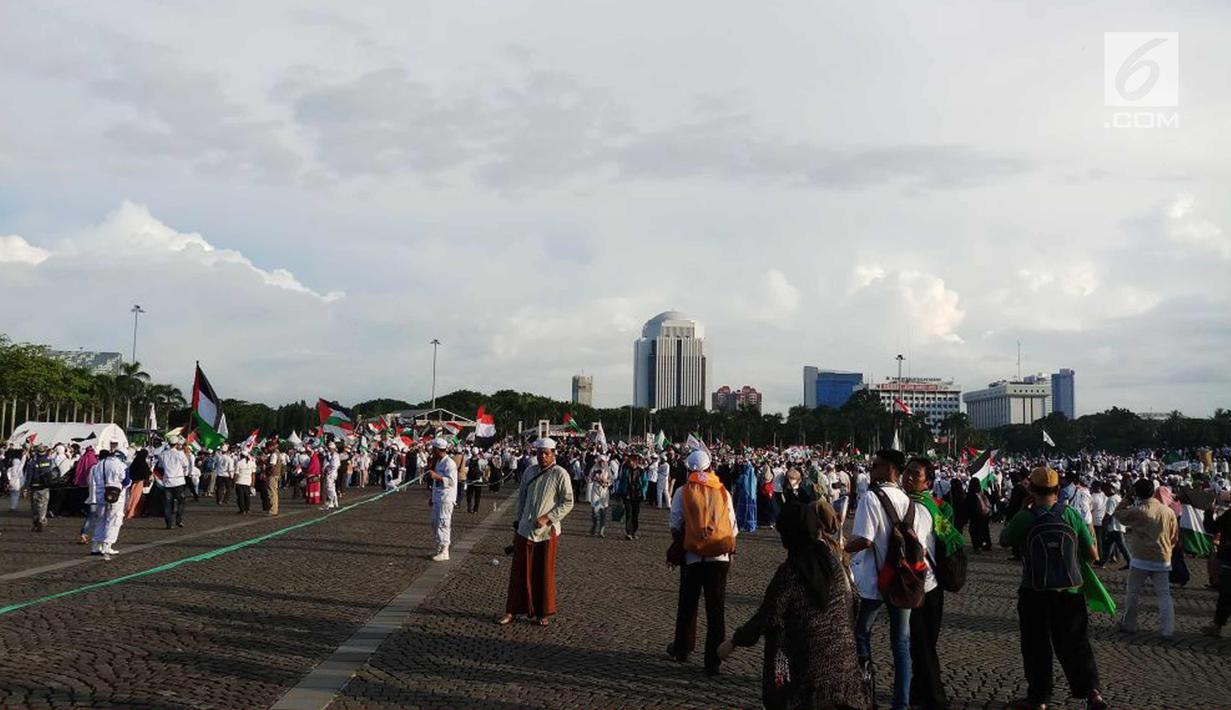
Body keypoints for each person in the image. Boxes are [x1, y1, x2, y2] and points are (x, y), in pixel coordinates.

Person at [719, 501, 867, 710]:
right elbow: (855, 599)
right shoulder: (833, 561)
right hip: (848, 674)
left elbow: (768, 616)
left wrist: (733, 641)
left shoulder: (790, 571)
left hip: (809, 678)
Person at [999, 466, 1107, 710]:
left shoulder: (1026, 517)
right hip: (1070, 592)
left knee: (1036, 646)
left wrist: (1021, 510)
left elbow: (1005, 539)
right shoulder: (1071, 515)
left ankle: (1039, 699)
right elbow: (1092, 555)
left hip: (1034, 591)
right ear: (1058, 490)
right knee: (1077, 644)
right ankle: (1092, 692)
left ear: (1031, 490)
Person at [845, 449, 932, 710]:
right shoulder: (910, 502)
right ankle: (901, 704)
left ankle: (864, 694)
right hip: (902, 581)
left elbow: (865, 540)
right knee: (901, 644)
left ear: (890, 469)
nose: (872, 470)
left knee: (861, 633)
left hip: (874, 581)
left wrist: (840, 547)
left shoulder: (872, 498)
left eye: (876, 466)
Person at [666, 449, 737, 676]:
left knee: (688, 604)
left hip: (693, 555)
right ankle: (713, 659)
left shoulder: (682, 491)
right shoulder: (723, 491)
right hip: (719, 557)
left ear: (689, 469)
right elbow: (733, 526)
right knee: (716, 609)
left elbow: (675, 524)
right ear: (710, 467)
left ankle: (682, 648)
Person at [904, 457, 960, 710]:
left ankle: (936, 700)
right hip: (934, 583)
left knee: (921, 646)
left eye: (915, 474)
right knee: (926, 643)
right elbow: (950, 538)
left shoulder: (915, 507)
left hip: (920, 583)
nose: (908, 477)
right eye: (907, 472)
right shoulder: (935, 505)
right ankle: (919, 694)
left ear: (927, 481)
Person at [500, 437, 574, 626]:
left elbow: (568, 502)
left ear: (553, 454)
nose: (542, 457)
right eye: (539, 453)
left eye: (546, 453)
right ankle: (512, 610)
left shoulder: (560, 474)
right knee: (519, 572)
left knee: (543, 572)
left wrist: (548, 518)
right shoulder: (529, 472)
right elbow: (522, 499)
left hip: (547, 532)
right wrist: (518, 523)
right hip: (525, 529)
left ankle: (543, 612)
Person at [1114, 478, 1179, 639]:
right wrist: (1167, 548)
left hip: (1141, 559)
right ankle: (1167, 629)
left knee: (1133, 593)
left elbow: (1118, 514)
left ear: (1137, 493)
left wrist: (1127, 499)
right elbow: (1174, 537)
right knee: (1164, 595)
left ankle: (1129, 624)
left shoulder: (1139, 510)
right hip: (1163, 558)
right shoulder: (1168, 511)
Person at [88, 449, 128, 560]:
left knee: (101, 520)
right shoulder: (121, 465)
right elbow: (126, 481)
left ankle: (96, 546)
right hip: (116, 497)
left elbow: (92, 481)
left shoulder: (97, 465)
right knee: (114, 520)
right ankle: (107, 545)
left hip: (100, 496)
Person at [427, 438, 458, 561]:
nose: (431, 451)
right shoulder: (439, 462)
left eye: (433, 449)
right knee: (434, 523)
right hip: (438, 497)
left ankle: (445, 550)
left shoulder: (449, 463)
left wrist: (437, 477)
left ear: (438, 449)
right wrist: (432, 497)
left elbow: (451, 482)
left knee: (443, 524)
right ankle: (439, 547)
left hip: (446, 498)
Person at [1096, 482, 1130, 568]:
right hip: (1118, 524)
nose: (1105, 493)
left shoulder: (1111, 499)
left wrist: (1104, 523)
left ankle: (1130, 561)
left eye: (1105, 491)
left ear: (1110, 489)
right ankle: (1102, 561)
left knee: (1121, 545)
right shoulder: (1118, 497)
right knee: (1108, 545)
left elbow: (1108, 514)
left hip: (1115, 526)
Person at [158, 440, 191, 528]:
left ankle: (169, 523)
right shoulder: (180, 454)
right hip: (178, 481)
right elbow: (186, 464)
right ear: (176, 444)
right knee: (181, 502)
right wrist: (185, 473)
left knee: (168, 504)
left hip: (168, 481)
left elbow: (160, 466)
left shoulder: (163, 454)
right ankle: (178, 519)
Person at [26, 444, 56, 532]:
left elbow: (29, 476)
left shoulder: (32, 463)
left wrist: (26, 488)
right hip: (45, 487)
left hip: (34, 487)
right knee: (43, 505)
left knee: (34, 505)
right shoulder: (49, 462)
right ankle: (41, 520)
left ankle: (36, 521)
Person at [124, 449, 152, 519]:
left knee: (132, 496)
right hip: (140, 482)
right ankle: (132, 511)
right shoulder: (143, 463)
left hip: (133, 481)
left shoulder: (134, 462)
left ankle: (129, 510)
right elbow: (146, 473)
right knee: (136, 497)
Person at [588, 456, 612, 537]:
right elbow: (589, 479)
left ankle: (602, 530)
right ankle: (594, 525)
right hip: (596, 490)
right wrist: (594, 477)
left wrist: (607, 482)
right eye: (601, 461)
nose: (602, 463)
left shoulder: (607, 470)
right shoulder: (594, 469)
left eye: (604, 462)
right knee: (595, 511)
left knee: (603, 511)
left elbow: (611, 480)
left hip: (604, 491)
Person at [321, 443, 340, 510]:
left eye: (330, 449)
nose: (329, 450)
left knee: (329, 487)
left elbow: (334, 466)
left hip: (331, 473)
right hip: (332, 473)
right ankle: (335, 501)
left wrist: (327, 467)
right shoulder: (332, 455)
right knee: (332, 487)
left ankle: (330, 502)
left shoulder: (335, 456)